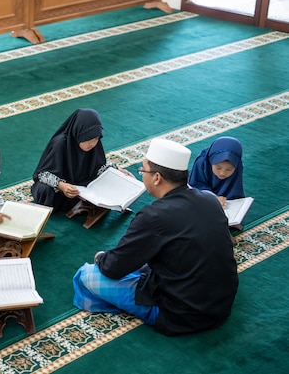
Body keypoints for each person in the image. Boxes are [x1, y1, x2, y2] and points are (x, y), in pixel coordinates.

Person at [72, 138, 239, 336]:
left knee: (86, 275)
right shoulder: (209, 200)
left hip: (179, 314)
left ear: (157, 178)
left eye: (143, 171)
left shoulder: (153, 216)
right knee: (145, 263)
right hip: (220, 305)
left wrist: (101, 258)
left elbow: (112, 268)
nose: (142, 175)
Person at [31, 108, 130, 212]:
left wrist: (116, 170)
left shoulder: (94, 145)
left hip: (81, 186)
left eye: (96, 139)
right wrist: (62, 185)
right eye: (88, 139)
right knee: (44, 190)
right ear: (79, 133)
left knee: (108, 182)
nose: (92, 144)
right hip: (60, 188)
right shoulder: (60, 144)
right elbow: (42, 174)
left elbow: (97, 168)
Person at [188, 136, 245, 208]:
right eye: (218, 168)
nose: (222, 173)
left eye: (229, 169)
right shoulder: (202, 162)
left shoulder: (238, 166)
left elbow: (235, 189)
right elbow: (195, 184)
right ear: (211, 161)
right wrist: (213, 197)